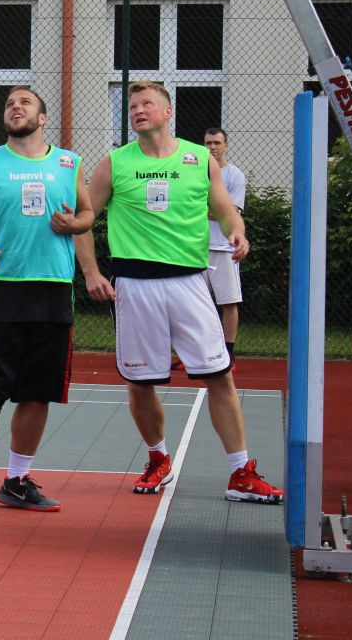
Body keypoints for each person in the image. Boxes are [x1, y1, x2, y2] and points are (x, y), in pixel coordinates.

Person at [75, 82, 282, 504]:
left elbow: (226, 211)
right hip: (135, 285)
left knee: (219, 375)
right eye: (133, 105)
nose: (138, 110)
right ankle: (158, 459)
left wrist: (238, 233)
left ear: (168, 112)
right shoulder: (114, 163)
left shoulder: (199, 159)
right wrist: (92, 272)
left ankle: (241, 473)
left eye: (147, 104)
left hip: (190, 282)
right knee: (140, 382)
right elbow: (84, 219)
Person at [0, 86, 94, 516]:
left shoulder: (69, 163)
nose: (15, 107)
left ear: (42, 117)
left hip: (52, 287)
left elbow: (88, 214)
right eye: (10, 103)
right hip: (1, 288)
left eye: (25, 102)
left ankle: (16, 482)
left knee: (37, 392)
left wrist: (74, 224)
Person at [203, 128, 246, 371]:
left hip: (224, 249)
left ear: (225, 145)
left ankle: (229, 353)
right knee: (196, 304)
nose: (212, 147)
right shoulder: (197, 172)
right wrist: (217, 211)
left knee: (229, 302)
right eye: (208, 143)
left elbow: (232, 213)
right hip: (196, 249)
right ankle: (203, 352)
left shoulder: (235, 176)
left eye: (217, 143)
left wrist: (207, 211)